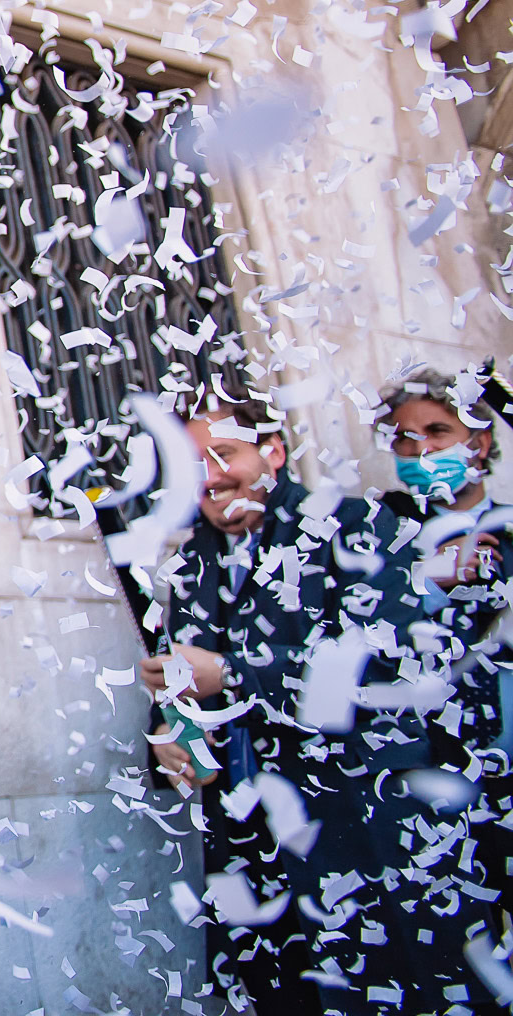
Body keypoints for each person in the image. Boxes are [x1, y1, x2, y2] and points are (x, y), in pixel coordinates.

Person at [138, 403, 405, 1012]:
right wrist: (167, 735)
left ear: (275, 452)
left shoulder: (356, 525)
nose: (206, 477)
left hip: (353, 840)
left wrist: (233, 672)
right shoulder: (190, 563)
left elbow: (385, 669)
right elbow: (191, 695)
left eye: (222, 455)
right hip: (245, 856)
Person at [366, 371, 510, 992]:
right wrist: (427, 583)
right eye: (403, 439)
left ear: (477, 442)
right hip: (427, 773)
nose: (420, 449)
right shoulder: (371, 535)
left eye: (437, 431)